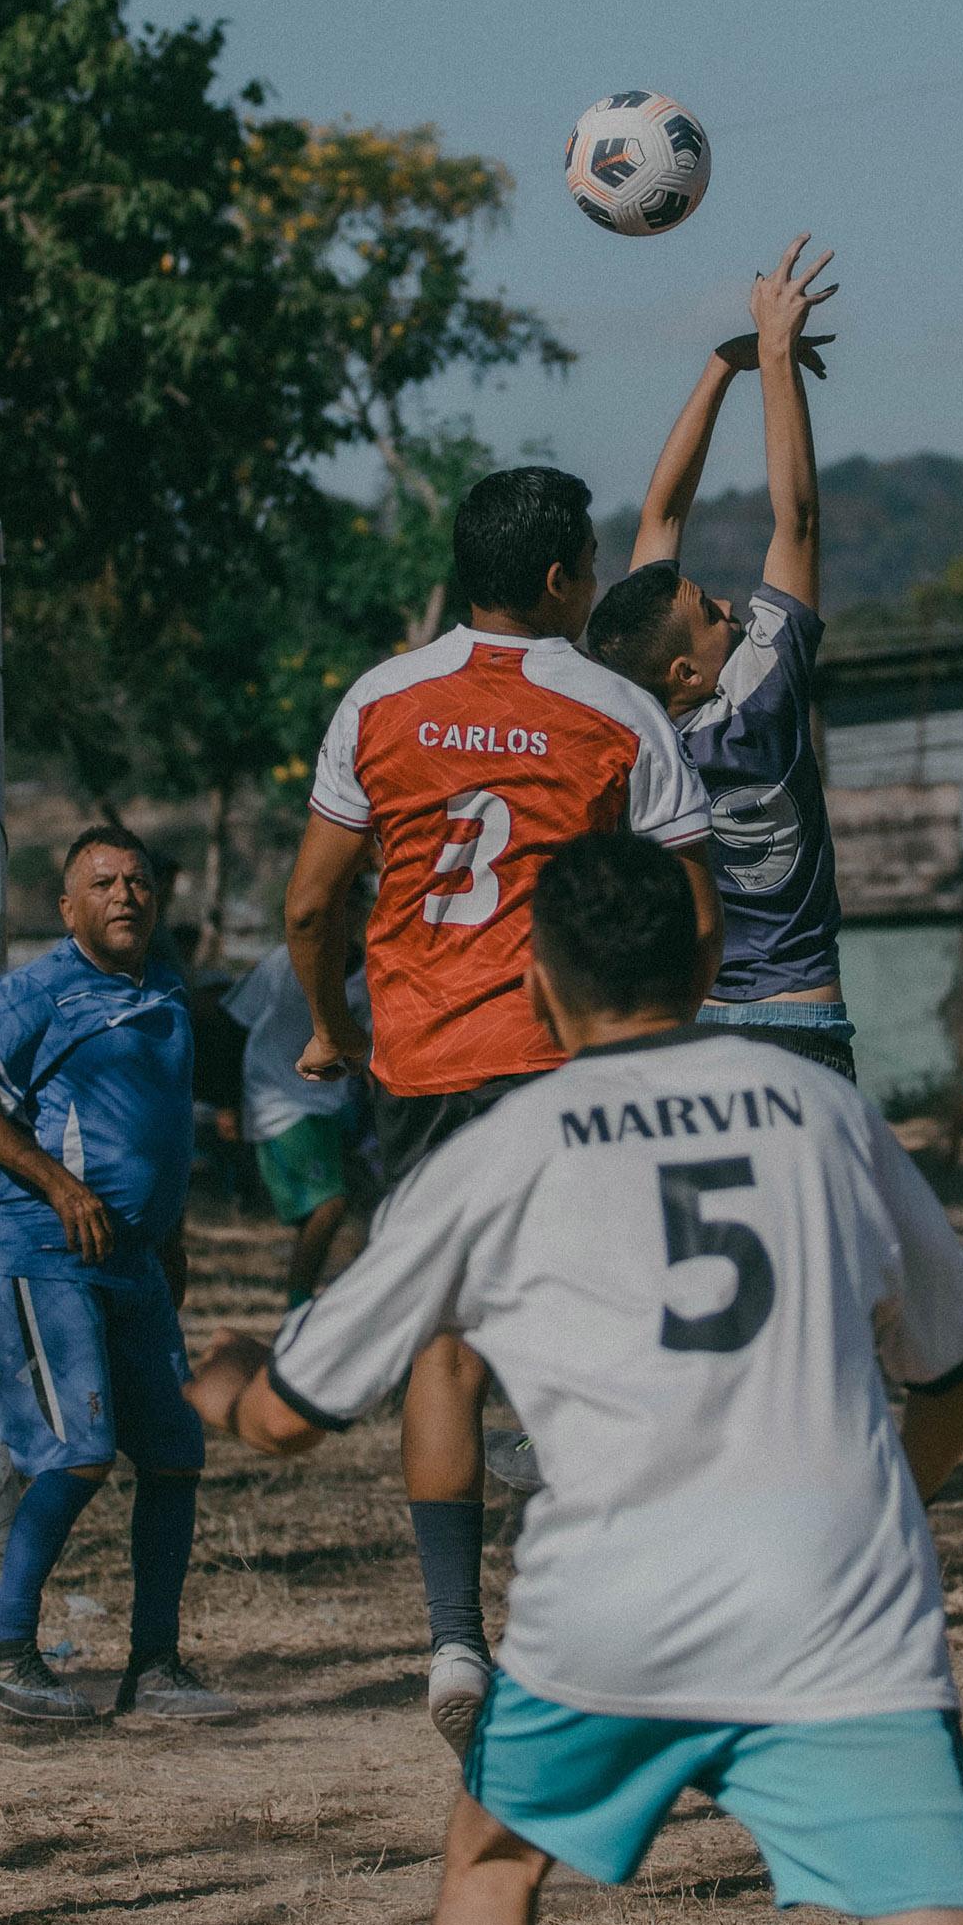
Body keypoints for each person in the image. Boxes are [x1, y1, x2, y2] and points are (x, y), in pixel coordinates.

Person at [191, 832, 963, 1925]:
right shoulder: (819, 1109)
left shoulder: (499, 1152)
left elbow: (291, 1414)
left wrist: (226, 1383)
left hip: (612, 1607)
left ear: (536, 983)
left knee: (492, 1863)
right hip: (835, 1600)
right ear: (699, 967)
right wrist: (887, 1502)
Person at [280, 464, 717, 1755]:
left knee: (445, 1348)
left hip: (421, 1071)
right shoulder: (617, 709)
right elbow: (697, 913)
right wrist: (663, 1034)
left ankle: (455, 1638)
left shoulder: (381, 698)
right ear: (557, 580)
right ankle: (615, 1622)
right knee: (614, 1335)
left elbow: (312, 905)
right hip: (569, 1063)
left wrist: (335, 1024)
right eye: (587, 565)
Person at [0, 827, 234, 1722]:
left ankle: (154, 1666)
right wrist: (60, 1187)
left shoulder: (167, 990)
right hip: (46, 1253)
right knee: (79, 1451)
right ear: (68, 908)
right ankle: (5, 1650)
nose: (126, 896)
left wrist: (169, 1237)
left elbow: (156, 1131)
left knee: (176, 1455)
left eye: (138, 881)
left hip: (135, 1262)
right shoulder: (37, 990)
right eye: (103, 883)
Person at [585, 237, 852, 1075]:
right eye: (708, 610)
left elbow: (659, 517)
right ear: (686, 672)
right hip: (798, 1017)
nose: (729, 604)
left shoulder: (634, 727)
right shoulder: (766, 692)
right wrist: (767, 355)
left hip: (686, 1021)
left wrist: (718, 366)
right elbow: (796, 518)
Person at [219, 921, 370, 1309]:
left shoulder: (370, 973)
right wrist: (226, 1102)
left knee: (329, 1210)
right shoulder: (284, 962)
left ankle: (315, 1301)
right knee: (331, 1204)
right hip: (279, 1101)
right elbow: (234, 1023)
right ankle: (297, 1307)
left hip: (329, 1103)